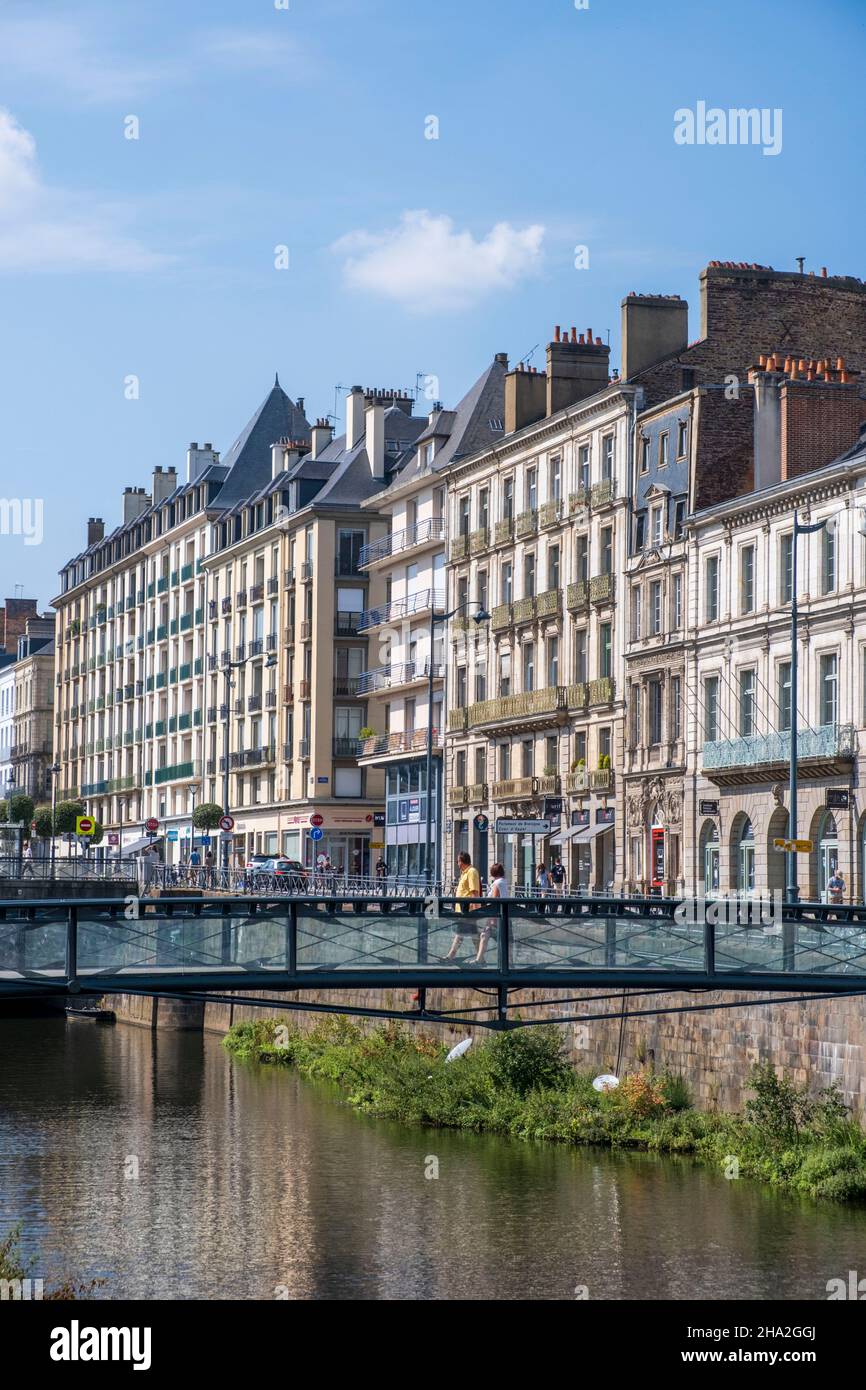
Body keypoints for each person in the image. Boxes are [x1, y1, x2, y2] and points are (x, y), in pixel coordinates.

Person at [445, 852, 481, 961]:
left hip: (468, 910)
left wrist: (476, 911)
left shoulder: (471, 872)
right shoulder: (464, 873)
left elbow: (474, 892)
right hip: (463, 910)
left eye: (458, 861)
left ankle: (450, 956)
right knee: (474, 935)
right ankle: (481, 958)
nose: (457, 864)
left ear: (462, 861)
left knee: (460, 934)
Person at [475, 862, 508, 964]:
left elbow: (493, 901)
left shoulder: (497, 884)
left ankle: (480, 960)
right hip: (503, 915)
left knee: (485, 936)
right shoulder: (503, 882)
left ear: (493, 872)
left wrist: (490, 919)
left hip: (495, 917)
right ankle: (508, 963)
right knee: (488, 936)